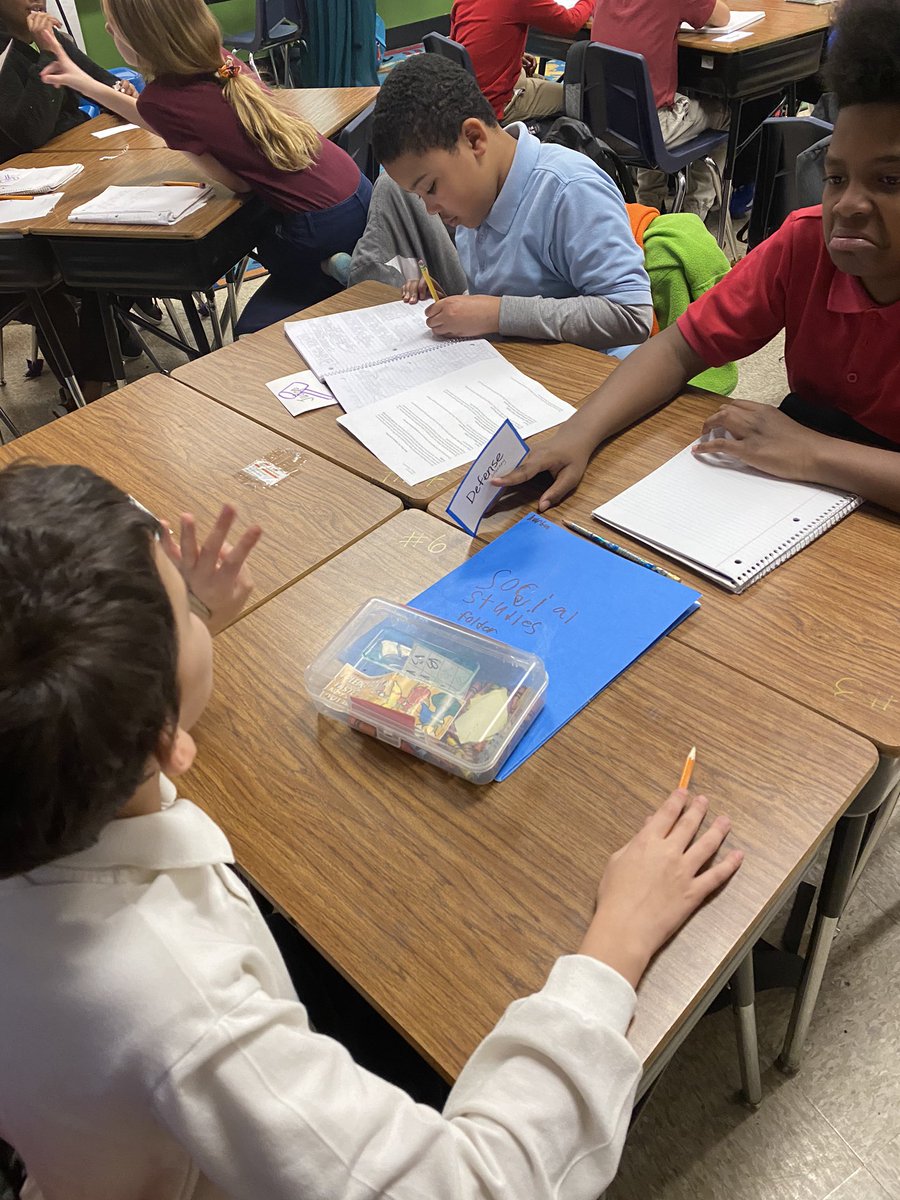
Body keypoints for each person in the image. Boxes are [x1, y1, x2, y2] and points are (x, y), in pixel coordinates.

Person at [0, 460, 742, 1200]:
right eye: (184, 611)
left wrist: (175, 640)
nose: (197, 610)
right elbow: (482, 1185)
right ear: (167, 740)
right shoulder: (187, 1013)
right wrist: (617, 943)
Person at [495, 0, 900, 514]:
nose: (849, 204)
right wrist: (578, 433)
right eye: (836, 178)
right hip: (802, 492)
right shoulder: (805, 244)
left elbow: (813, 452)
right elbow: (677, 349)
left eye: (890, 180)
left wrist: (815, 453)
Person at [36, 0, 371, 331]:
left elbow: (238, 184)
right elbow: (160, 117)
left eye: (114, 24)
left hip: (318, 226)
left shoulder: (162, 100)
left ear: (139, 37)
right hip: (355, 190)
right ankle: (345, 277)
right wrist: (83, 81)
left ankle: (342, 286)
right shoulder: (222, 63)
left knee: (251, 335)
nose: (108, 30)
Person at [372, 54, 654, 356]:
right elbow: (506, 299)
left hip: (589, 376)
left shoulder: (569, 189)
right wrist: (455, 306)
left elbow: (632, 315)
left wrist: (496, 314)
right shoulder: (476, 205)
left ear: (474, 139)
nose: (430, 209)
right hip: (521, 367)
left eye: (431, 187)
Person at [590, 0, 731, 219]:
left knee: (650, 102)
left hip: (604, 124)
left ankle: (648, 203)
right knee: (724, 114)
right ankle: (694, 214)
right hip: (651, 130)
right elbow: (723, 17)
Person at [450, 0, 594, 123]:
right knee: (578, 100)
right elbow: (570, 23)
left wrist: (516, 55)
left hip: (465, 95)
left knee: (544, 82)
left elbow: (462, 42)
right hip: (495, 104)